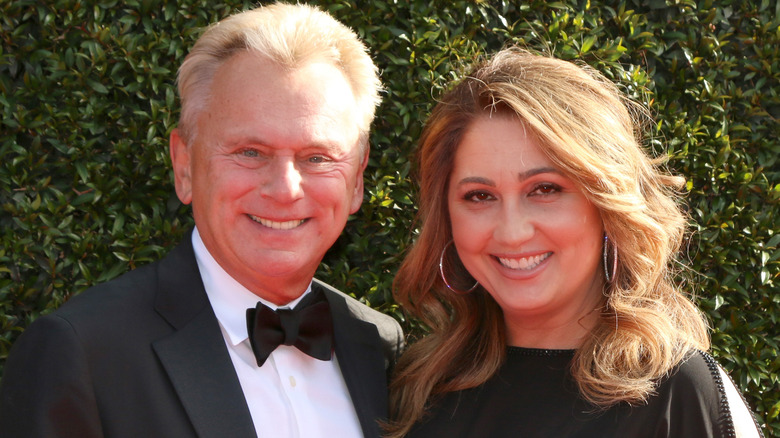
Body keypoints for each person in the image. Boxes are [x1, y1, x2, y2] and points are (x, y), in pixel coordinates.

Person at [0, 3, 403, 438]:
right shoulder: (82, 353)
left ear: (357, 180)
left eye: (318, 157)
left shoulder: (379, 348)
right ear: (185, 166)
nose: (285, 188)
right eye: (250, 152)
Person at [386, 47, 763, 438]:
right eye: (480, 196)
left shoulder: (679, 393)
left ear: (606, 204)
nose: (513, 232)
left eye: (545, 189)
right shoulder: (417, 389)